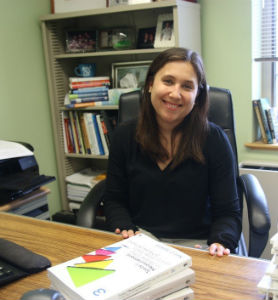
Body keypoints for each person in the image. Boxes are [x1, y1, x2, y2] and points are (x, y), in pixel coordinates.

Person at [103, 47, 242, 257]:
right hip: (141, 241)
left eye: (187, 86)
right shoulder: (124, 136)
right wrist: (124, 228)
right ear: (151, 84)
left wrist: (220, 241)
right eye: (168, 81)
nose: (175, 93)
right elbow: (114, 199)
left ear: (197, 95)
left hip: (199, 244)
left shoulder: (214, 140)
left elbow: (228, 212)